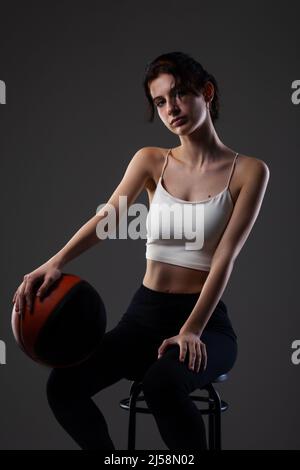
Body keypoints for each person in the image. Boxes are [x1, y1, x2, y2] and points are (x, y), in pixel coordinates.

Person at [12, 51, 270, 451]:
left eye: (180, 94)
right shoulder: (151, 160)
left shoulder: (250, 171)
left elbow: (225, 257)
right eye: (160, 102)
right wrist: (55, 261)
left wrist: (191, 330)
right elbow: (108, 219)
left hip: (204, 321)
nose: (171, 109)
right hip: (143, 316)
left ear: (207, 91)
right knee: (63, 387)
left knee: (162, 385)